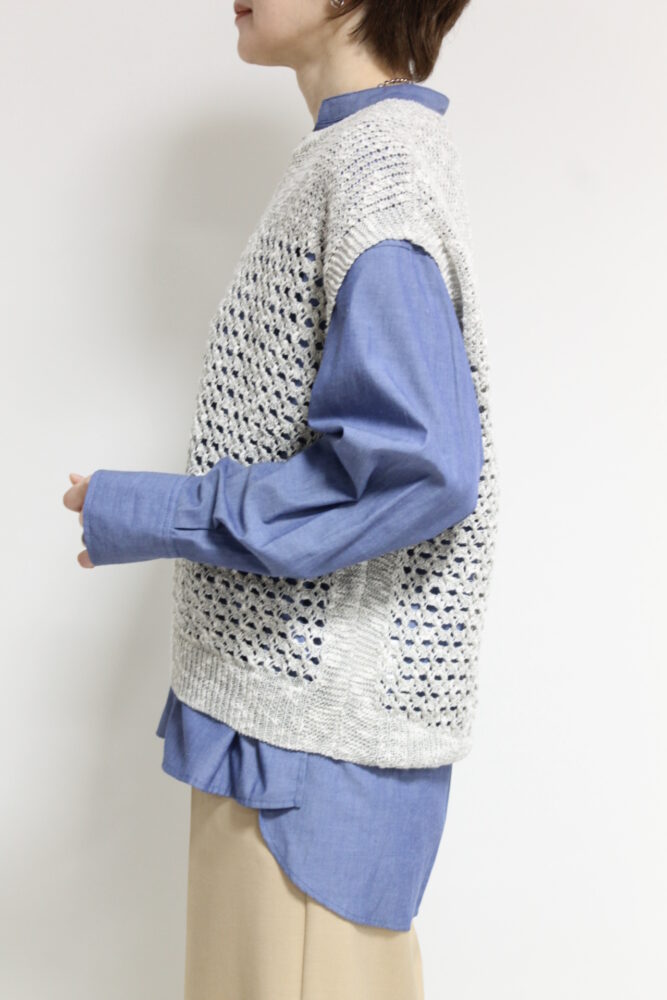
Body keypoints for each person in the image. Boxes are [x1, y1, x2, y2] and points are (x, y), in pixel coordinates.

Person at [63, 1, 500, 997]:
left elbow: (418, 464)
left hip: (306, 767)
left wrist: (160, 512)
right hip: (282, 745)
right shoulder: (357, 157)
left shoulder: (376, 172)